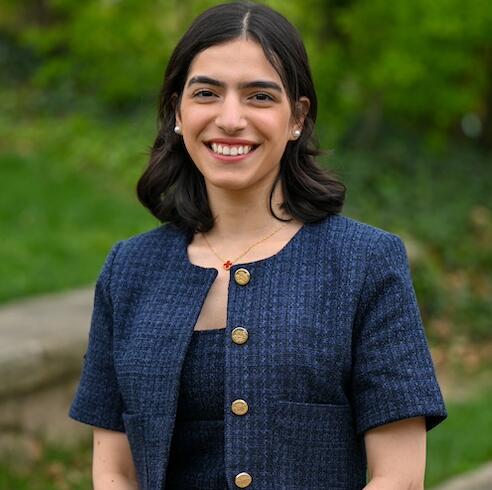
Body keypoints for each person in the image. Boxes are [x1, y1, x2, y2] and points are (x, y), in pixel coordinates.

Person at [69, 2, 447, 489]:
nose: (230, 119)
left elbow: (399, 477)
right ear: (177, 112)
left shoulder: (365, 263)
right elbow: (115, 470)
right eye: (206, 92)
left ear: (297, 118)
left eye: (260, 97)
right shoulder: (130, 269)